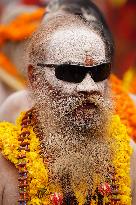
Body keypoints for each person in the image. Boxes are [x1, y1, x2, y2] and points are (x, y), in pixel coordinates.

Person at [0, 0, 136, 204]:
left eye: (99, 72)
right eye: (71, 72)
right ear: (35, 78)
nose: (89, 87)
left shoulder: (130, 157)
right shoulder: (5, 164)